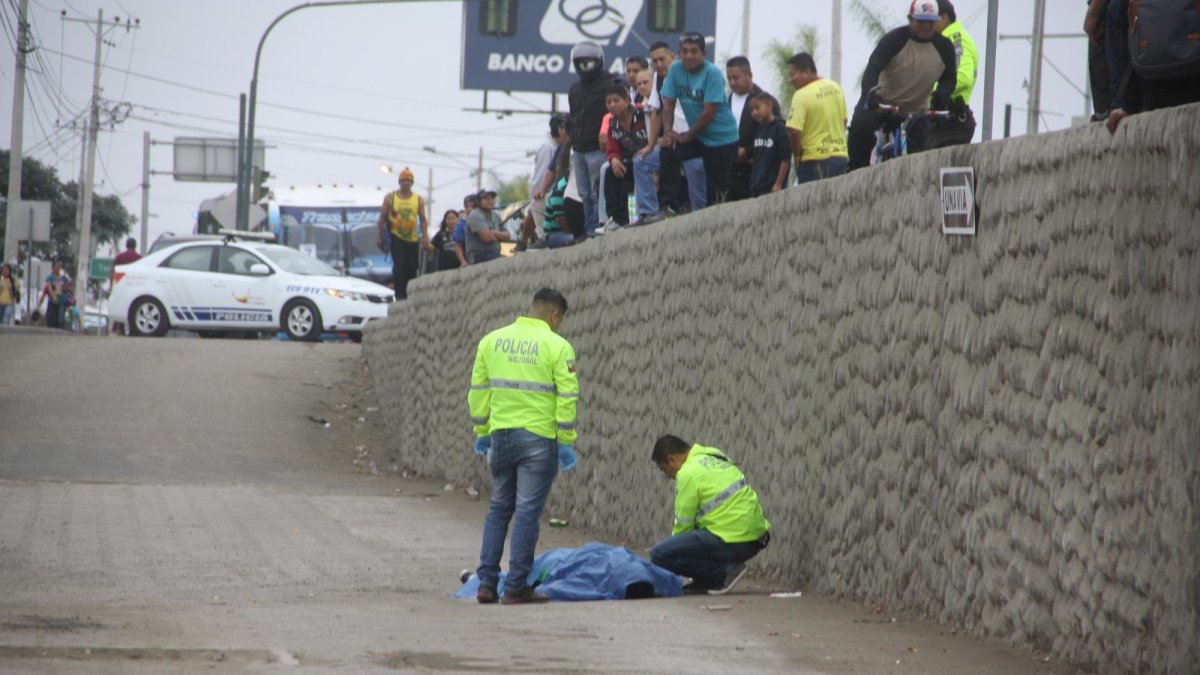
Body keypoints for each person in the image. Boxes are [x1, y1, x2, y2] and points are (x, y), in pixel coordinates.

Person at [468, 288, 580, 605]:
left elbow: (478, 389)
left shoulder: (492, 341)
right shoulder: (557, 346)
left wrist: (482, 430)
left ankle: (486, 584)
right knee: (527, 513)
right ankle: (516, 587)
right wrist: (566, 442)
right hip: (538, 440)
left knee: (499, 509)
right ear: (555, 316)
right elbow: (568, 397)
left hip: (500, 438)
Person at [649, 435, 771, 595]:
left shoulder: (687, 473)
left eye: (664, 469)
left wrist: (669, 562)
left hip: (732, 538)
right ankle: (708, 580)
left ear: (671, 459)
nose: (668, 476)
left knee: (660, 554)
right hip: (755, 537)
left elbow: (683, 526)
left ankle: (724, 573)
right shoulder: (713, 455)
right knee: (686, 543)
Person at [846, 1, 956, 171]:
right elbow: (873, 68)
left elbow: (949, 79)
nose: (926, 27)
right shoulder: (894, 40)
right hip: (883, 103)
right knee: (861, 130)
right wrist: (871, 97)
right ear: (910, 19)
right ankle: (854, 175)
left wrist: (943, 93)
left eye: (930, 22)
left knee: (919, 155)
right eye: (920, 21)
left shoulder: (945, 47)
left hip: (916, 109)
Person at [648, 32, 740, 221]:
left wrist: (686, 136)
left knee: (716, 196)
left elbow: (709, 112)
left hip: (722, 140)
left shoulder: (712, 73)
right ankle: (668, 207)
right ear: (679, 53)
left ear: (704, 53)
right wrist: (667, 133)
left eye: (694, 51)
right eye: (685, 51)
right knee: (669, 150)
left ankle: (716, 225)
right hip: (699, 137)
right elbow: (668, 103)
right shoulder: (675, 69)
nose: (689, 56)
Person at [634, 41, 708, 222]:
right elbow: (656, 112)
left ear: (673, 57)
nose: (659, 65)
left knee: (696, 175)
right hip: (671, 141)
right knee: (641, 161)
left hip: (693, 140)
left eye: (662, 59)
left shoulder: (689, 75)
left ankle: (702, 218)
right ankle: (649, 213)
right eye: (654, 61)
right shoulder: (658, 79)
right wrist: (650, 146)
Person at [568, 41, 620, 237]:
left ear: (598, 62)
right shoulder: (574, 89)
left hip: (598, 148)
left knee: (597, 190)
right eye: (581, 63)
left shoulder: (610, 83)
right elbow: (573, 115)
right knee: (584, 193)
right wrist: (572, 133)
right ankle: (589, 227)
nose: (585, 67)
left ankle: (600, 223)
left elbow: (616, 111)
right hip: (579, 148)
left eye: (589, 62)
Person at [785, 52, 850, 185]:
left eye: (793, 75)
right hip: (841, 157)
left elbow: (794, 131)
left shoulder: (801, 95)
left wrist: (797, 155)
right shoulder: (835, 87)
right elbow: (844, 121)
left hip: (813, 160)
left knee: (813, 205)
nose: (790, 80)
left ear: (807, 72)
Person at [725, 56, 780, 201]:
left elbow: (774, 134)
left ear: (749, 75)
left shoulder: (765, 101)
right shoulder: (726, 101)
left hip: (756, 170)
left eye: (736, 78)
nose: (732, 82)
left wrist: (748, 151)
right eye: (729, 78)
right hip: (731, 170)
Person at [597, 85, 649, 233]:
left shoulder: (642, 114)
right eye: (608, 102)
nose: (612, 105)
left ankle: (645, 215)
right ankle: (617, 219)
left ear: (627, 101)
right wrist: (614, 159)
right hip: (632, 163)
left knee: (640, 165)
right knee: (610, 172)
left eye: (616, 100)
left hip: (649, 160)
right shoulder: (613, 125)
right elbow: (612, 149)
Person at [375, 167, 431, 299]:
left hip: (412, 238)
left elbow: (423, 219)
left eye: (408, 180)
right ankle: (399, 294)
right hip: (396, 237)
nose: (406, 183)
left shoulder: (418, 199)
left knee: (412, 267)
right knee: (399, 266)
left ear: (412, 183)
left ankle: (410, 293)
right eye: (403, 180)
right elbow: (382, 218)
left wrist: (425, 237)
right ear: (399, 182)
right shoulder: (391, 197)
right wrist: (379, 237)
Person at [928, 1, 978, 148]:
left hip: (952, 120)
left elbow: (963, 77)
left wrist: (931, 95)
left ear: (944, 17)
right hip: (938, 121)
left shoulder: (956, 39)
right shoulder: (940, 42)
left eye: (931, 20)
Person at [747, 93, 792, 197]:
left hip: (772, 187)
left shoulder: (780, 128)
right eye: (751, 110)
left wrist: (778, 184)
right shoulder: (758, 130)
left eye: (757, 108)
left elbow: (785, 158)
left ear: (769, 105)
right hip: (757, 187)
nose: (754, 113)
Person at [464, 190, 510, 264]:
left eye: (492, 198)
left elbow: (508, 236)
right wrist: (499, 235)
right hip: (479, 256)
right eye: (486, 198)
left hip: (495, 253)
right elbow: (487, 238)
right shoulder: (474, 215)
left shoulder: (495, 216)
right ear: (478, 201)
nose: (490, 201)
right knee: (507, 262)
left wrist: (492, 232)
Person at [38, 259, 71, 330]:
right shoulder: (50, 277)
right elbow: (49, 288)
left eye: (59, 266)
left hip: (62, 301)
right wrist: (53, 296)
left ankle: (61, 332)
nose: (57, 268)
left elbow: (66, 289)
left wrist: (69, 283)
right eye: (55, 266)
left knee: (61, 320)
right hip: (53, 301)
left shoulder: (64, 278)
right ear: (53, 267)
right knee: (51, 319)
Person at [453, 192, 478, 268]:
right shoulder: (462, 224)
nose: (470, 209)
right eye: (467, 206)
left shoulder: (485, 219)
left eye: (473, 206)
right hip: (469, 260)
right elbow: (458, 245)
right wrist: (463, 261)